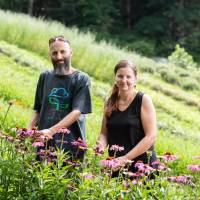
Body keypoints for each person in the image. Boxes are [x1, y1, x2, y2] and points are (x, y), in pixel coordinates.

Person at [28, 35, 92, 159]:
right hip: (44, 142)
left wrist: (51, 131)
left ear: (71, 52)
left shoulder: (81, 79)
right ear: (50, 55)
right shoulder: (45, 76)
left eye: (63, 52)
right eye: (54, 53)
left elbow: (77, 112)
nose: (59, 57)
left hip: (70, 146)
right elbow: (38, 109)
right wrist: (29, 129)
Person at [94, 60, 157, 173]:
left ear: (135, 79)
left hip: (142, 166)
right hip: (116, 164)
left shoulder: (143, 100)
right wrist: (101, 145)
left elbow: (151, 136)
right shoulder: (110, 101)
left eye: (128, 77)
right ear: (115, 78)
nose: (124, 80)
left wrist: (125, 159)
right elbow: (104, 133)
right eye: (120, 76)